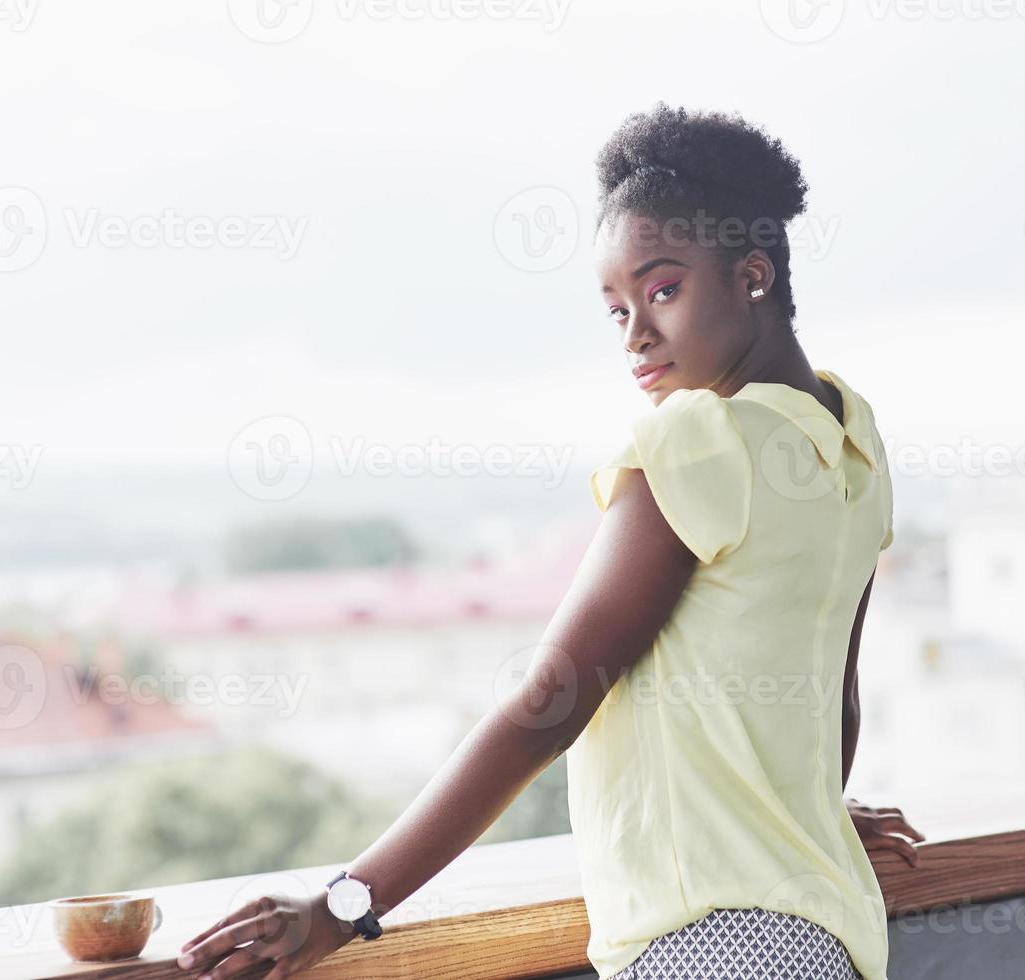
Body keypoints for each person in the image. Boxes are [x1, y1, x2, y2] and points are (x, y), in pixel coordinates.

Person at [175, 101, 923, 980]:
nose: (637, 335)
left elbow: (548, 705)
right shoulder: (854, 442)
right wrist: (810, 814)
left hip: (712, 945)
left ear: (752, 275)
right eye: (615, 310)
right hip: (826, 933)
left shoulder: (699, 440)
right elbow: (829, 699)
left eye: (663, 288)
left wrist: (347, 904)